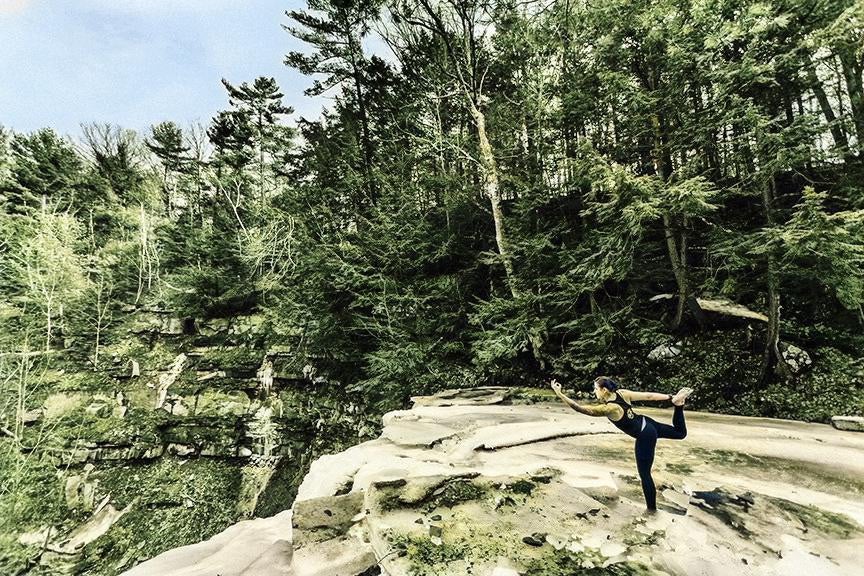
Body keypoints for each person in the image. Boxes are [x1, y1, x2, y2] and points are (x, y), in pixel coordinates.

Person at [550, 376, 692, 513]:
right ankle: (678, 405)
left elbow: (580, 408)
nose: (594, 392)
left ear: (604, 390)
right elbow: (648, 396)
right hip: (648, 424)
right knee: (680, 433)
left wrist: (560, 394)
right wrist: (670, 397)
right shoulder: (622, 393)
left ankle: (651, 511)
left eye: (596, 389)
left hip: (644, 435)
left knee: (645, 475)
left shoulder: (610, 408)